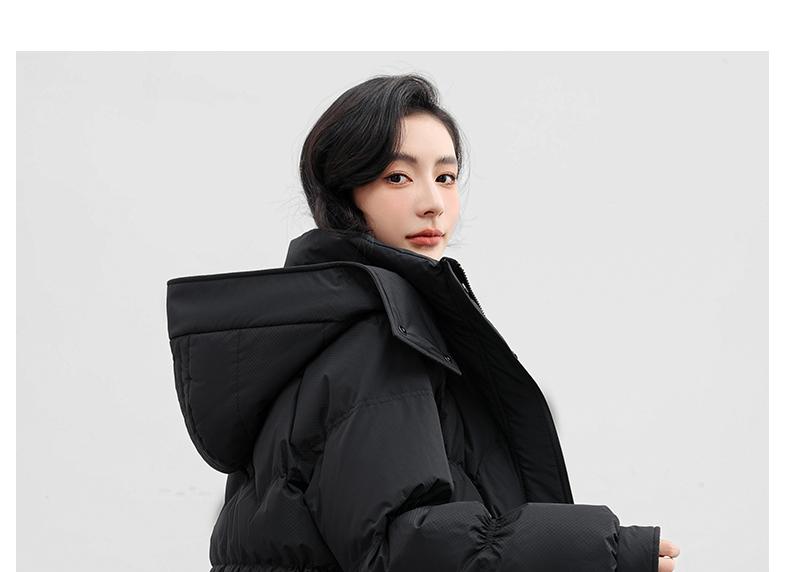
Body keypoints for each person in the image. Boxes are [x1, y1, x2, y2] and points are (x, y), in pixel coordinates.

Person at [165, 73, 681, 571]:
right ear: (345, 193)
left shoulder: (337, 326)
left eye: (445, 177)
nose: (433, 204)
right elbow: (401, 548)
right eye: (398, 177)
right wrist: (604, 551)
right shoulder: (377, 340)